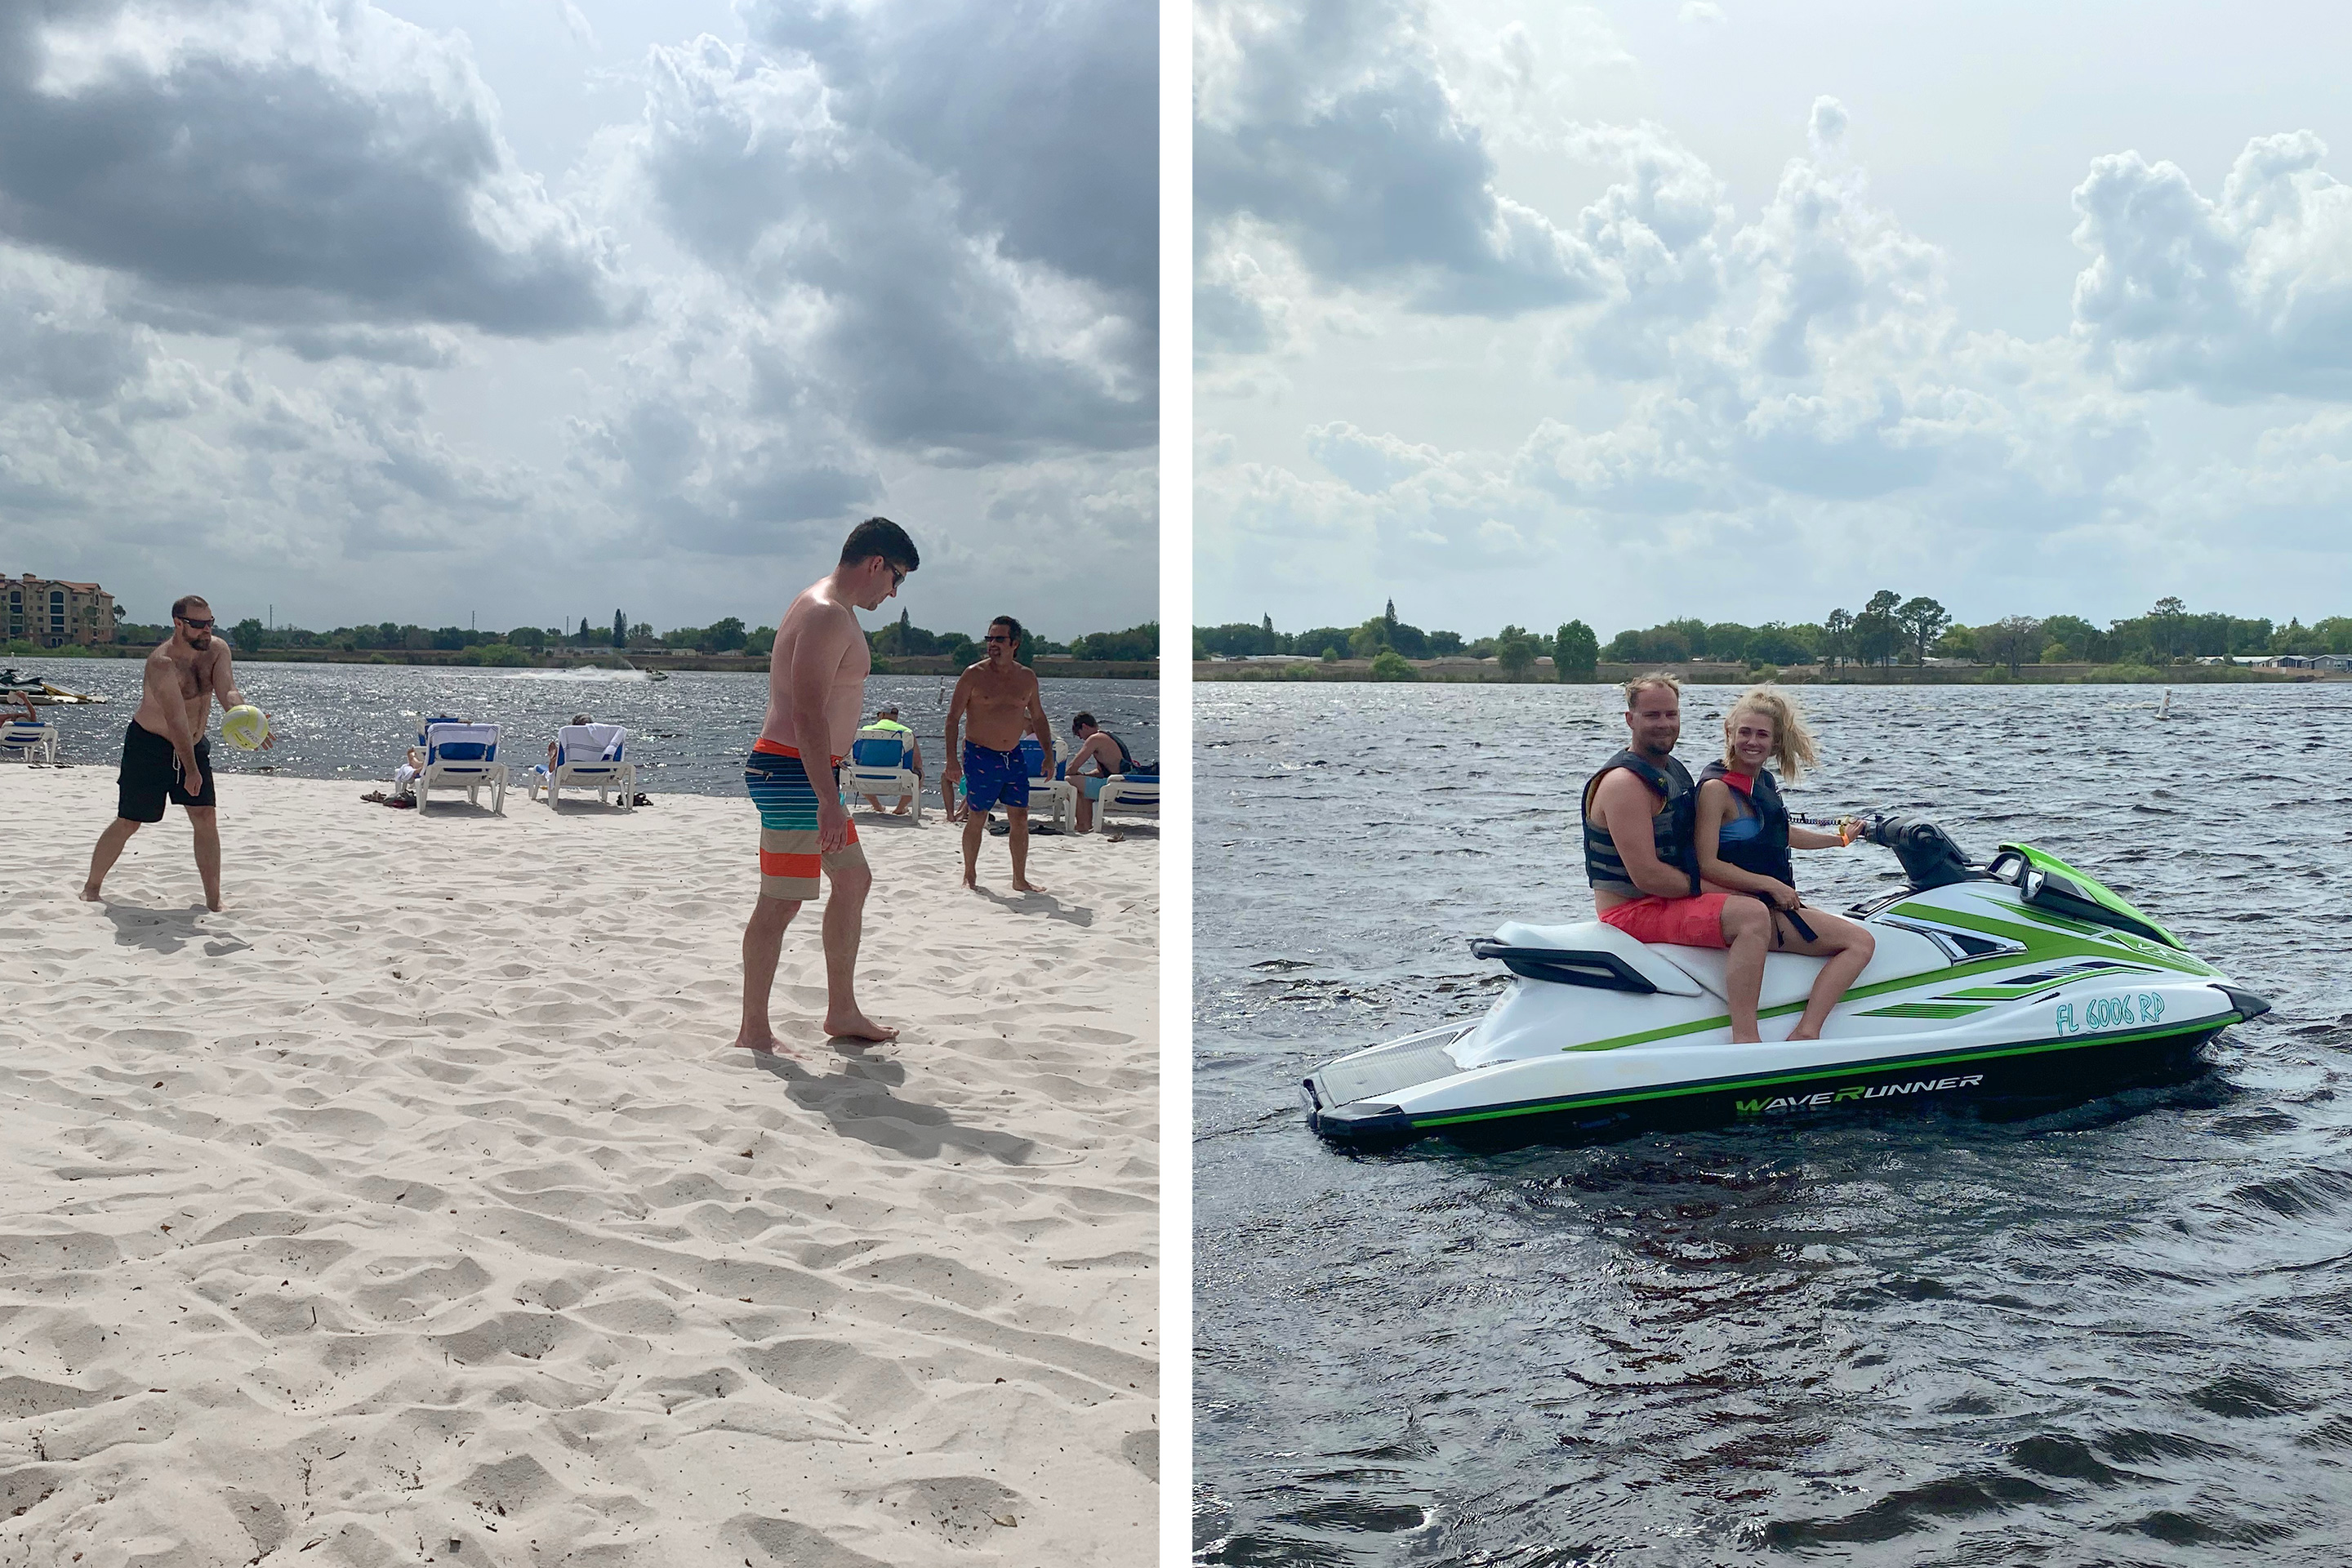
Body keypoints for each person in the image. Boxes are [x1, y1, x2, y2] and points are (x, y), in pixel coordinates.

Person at [736, 516, 917, 1050]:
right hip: (795, 772)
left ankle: (841, 1011)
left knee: (853, 880)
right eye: (897, 577)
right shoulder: (826, 615)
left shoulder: (828, 607)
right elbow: (808, 715)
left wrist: (830, 789)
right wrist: (826, 800)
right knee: (780, 901)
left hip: (808, 772)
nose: (894, 591)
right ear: (876, 563)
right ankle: (754, 1030)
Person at [1584, 673, 1787, 1043]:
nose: (1664, 725)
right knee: (1751, 914)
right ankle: (1746, 1039)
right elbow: (1648, 877)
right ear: (1631, 720)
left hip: (1665, 899)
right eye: (1652, 716)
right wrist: (1733, 894)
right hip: (1632, 909)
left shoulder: (1671, 770)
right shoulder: (1624, 785)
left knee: (1760, 899)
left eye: (1671, 715)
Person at [1691, 687, 1876, 1042]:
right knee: (1860, 943)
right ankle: (1804, 1033)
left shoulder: (1762, 781)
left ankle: (1802, 1029)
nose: (1752, 742)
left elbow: (1778, 834)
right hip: (1749, 906)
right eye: (1744, 732)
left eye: (1762, 735)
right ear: (1729, 732)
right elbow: (1706, 864)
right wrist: (1771, 885)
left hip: (1768, 901)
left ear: (1775, 743)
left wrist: (1838, 840)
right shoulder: (1716, 790)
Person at [82, 595, 271, 911]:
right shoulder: (161, 663)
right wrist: (191, 769)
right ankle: (92, 887)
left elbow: (227, 689)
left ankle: (213, 901)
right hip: (150, 745)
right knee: (130, 821)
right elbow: (176, 720)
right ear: (179, 623)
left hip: (194, 743)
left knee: (206, 817)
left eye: (210, 623)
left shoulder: (217, 650)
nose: (206, 630)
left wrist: (247, 717)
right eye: (198, 625)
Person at [942, 616, 1053, 891]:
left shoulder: (1026, 677)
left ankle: (1019, 878)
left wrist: (1049, 755)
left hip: (1012, 754)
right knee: (978, 815)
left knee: (1020, 817)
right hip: (980, 753)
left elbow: (1038, 717)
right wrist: (952, 760)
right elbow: (952, 718)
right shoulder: (974, 674)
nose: (992, 644)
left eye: (999, 639)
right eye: (989, 638)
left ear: (1014, 643)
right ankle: (970, 874)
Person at [1065, 711, 1136, 834]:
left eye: (1078, 733)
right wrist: (1084, 776)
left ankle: (1082, 824)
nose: (1080, 738)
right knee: (1081, 785)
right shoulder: (1107, 737)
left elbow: (1073, 766)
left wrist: (1059, 776)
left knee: (1068, 781)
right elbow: (1100, 772)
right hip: (1120, 783)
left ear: (1085, 727)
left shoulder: (1095, 739)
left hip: (1113, 786)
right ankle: (1084, 825)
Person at [858, 703, 924, 814]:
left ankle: (877, 806)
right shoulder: (907, 732)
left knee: (859, 767)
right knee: (919, 774)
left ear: (882, 715)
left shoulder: (866, 729)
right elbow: (918, 762)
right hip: (897, 779)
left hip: (864, 777)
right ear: (896, 717)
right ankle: (899, 809)